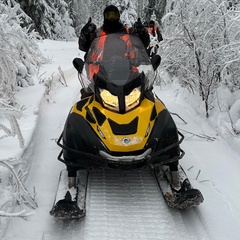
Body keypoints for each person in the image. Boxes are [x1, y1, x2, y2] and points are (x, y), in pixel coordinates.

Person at [78, 5, 150, 98]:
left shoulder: (128, 32)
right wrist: (85, 34)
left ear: (118, 16)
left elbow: (144, 44)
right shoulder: (97, 34)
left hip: (128, 71)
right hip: (101, 73)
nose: (112, 18)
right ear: (105, 17)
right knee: (87, 97)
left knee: (146, 92)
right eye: (109, 15)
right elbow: (84, 46)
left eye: (114, 15)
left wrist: (142, 33)